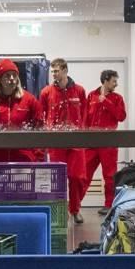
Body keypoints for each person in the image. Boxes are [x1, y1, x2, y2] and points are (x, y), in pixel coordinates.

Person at [39, 57, 91, 226]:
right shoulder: (46, 92)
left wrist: (83, 133)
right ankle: (60, 212)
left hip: (76, 142)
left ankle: (75, 210)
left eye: (56, 71)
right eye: (52, 71)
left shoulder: (79, 91)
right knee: (57, 179)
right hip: (56, 143)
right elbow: (41, 115)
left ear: (65, 70)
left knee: (77, 178)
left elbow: (85, 113)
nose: (54, 74)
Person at [0, 58, 45, 162]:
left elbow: (40, 130)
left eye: (14, 75)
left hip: (23, 161)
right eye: (7, 75)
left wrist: (37, 159)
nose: (12, 78)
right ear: (0, 79)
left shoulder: (30, 101)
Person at [84, 70, 128, 207]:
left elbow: (121, 116)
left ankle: (109, 205)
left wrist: (106, 102)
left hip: (109, 142)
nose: (116, 84)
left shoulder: (117, 98)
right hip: (91, 142)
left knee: (110, 176)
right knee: (83, 174)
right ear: (106, 81)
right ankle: (75, 206)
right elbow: (85, 118)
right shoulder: (91, 96)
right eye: (114, 81)